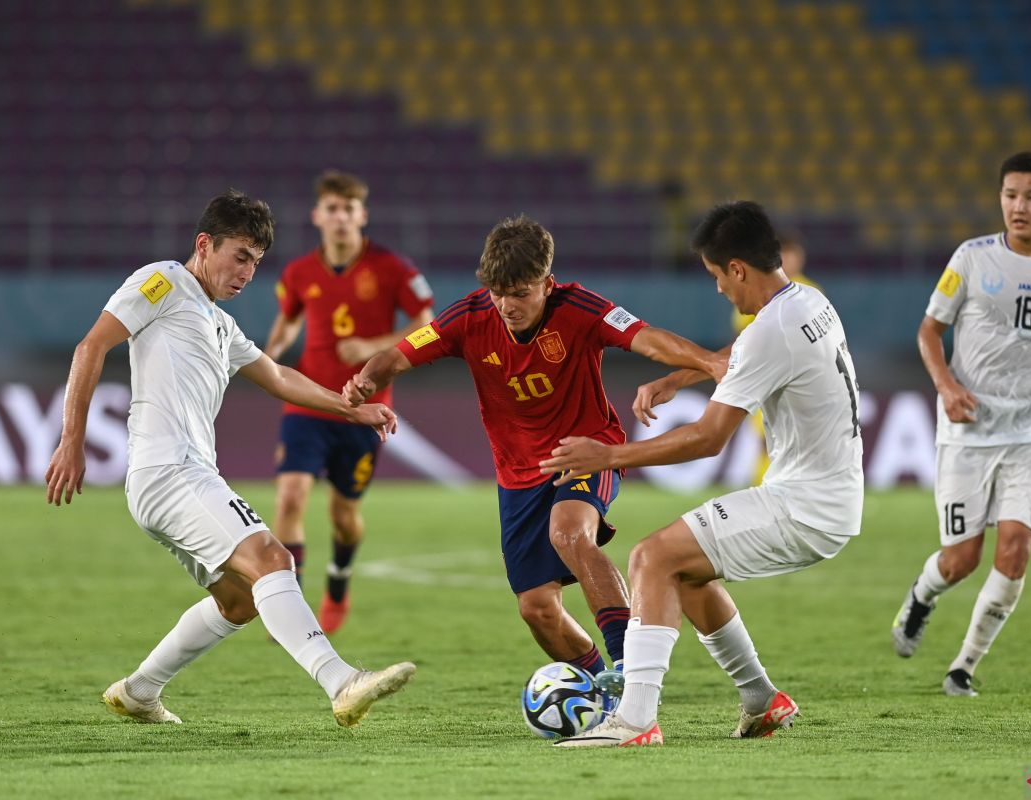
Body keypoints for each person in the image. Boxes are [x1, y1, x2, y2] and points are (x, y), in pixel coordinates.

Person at [44, 190, 415, 727]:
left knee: (240, 599)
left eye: (256, 263)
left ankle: (139, 690)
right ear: (204, 244)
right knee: (274, 558)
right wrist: (70, 439)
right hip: (171, 470)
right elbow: (91, 347)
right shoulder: (164, 281)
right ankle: (342, 682)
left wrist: (352, 410)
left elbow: (279, 376)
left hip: (176, 478)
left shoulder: (220, 324)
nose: (246, 272)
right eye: (239, 256)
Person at [341, 215, 725, 688]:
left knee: (569, 533)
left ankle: (630, 666)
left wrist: (706, 361)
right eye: (498, 292)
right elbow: (399, 354)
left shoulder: (581, 307)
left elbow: (646, 338)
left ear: (547, 284)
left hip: (586, 450)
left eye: (520, 293)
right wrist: (368, 379)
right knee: (537, 608)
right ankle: (601, 688)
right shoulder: (469, 317)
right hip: (518, 473)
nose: (507, 305)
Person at [539, 200, 864, 747]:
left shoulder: (772, 328)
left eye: (717, 276)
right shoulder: (808, 301)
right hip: (828, 496)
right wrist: (680, 377)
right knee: (687, 571)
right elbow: (746, 350)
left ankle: (636, 721)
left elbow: (709, 439)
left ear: (738, 268)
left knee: (651, 556)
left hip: (806, 505)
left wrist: (608, 456)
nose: (717, 289)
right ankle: (762, 700)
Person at [890, 151, 1031, 696]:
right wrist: (946, 386)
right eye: (1011, 195)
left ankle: (962, 666)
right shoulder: (970, 258)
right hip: (967, 427)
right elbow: (927, 333)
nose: (1019, 206)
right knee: (962, 559)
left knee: (1014, 547)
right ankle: (922, 595)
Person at [264, 170, 434, 634]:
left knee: (343, 515)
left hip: (364, 409)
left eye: (348, 209)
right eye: (332, 209)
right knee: (291, 497)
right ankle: (290, 611)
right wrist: (267, 355)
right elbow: (288, 321)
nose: (340, 217)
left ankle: (339, 577)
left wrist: (372, 347)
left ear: (362, 215)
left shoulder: (394, 268)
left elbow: (427, 325)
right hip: (308, 403)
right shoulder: (298, 272)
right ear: (318, 216)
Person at [729, 230, 819, 484]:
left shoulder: (811, 289)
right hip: (764, 376)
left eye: (795, 256)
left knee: (796, 441)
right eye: (787, 256)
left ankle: (787, 490)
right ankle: (763, 485)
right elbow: (743, 333)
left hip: (800, 379)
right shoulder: (759, 290)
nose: (792, 262)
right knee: (766, 440)